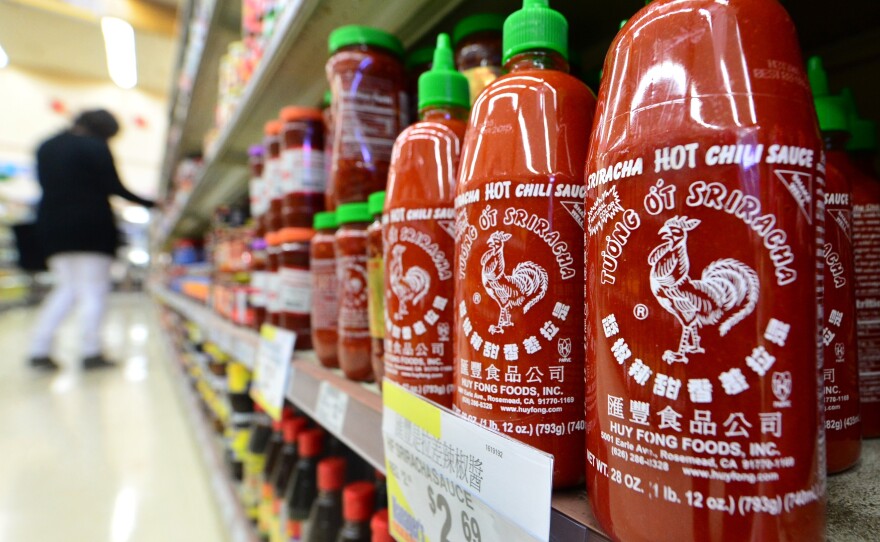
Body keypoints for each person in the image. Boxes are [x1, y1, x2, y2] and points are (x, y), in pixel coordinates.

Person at [28, 109, 155, 370]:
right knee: (94, 289)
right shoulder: (94, 147)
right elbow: (115, 187)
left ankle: (39, 348)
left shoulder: (46, 146)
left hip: (53, 227)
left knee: (66, 287)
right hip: (91, 226)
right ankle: (91, 351)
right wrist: (152, 203)